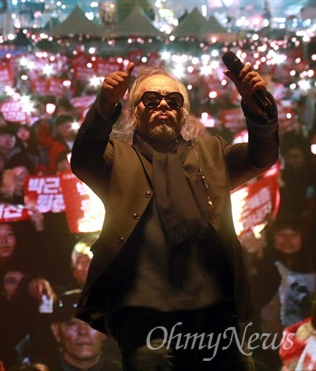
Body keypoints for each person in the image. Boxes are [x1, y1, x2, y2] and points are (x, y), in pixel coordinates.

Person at [70, 61, 279, 370]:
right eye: (151, 100)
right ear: (131, 111)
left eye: (173, 100)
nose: (163, 105)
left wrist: (256, 105)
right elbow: (83, 158)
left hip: (218, 317)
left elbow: (261, 156)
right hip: (145, 321)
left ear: (184, 113)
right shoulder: (117, 157)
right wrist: (104, 106)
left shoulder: (211, 152)